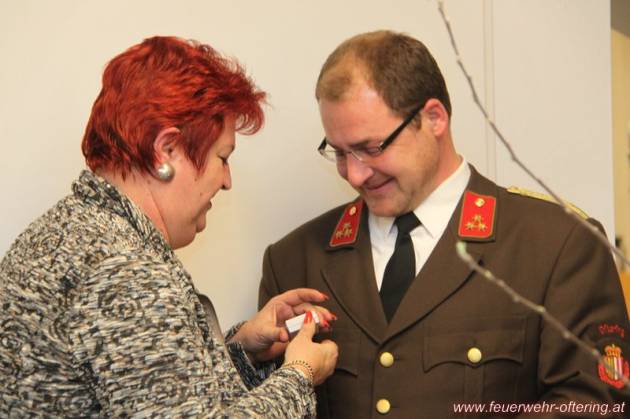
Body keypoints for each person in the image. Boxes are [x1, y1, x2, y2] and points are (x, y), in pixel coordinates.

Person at [259, 30, 630, 418]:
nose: (354, 175)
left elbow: (594, 404)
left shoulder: (557, 244)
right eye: (339, 152)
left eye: (371, 149)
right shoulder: (295, 259)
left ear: (433, 118)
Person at [0, 36, 338, 417]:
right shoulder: (128, 271)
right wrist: (299, 374)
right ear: (166, 151)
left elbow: (148, 395)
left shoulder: (60, 234)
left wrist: (242, 352)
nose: (227, 181)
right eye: (222, 157)